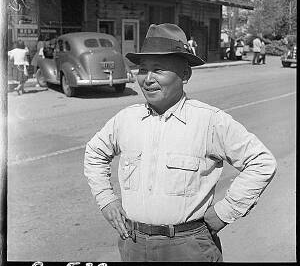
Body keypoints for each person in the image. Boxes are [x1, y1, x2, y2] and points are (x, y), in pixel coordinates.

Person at [84, 23, 277, 262]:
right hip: (132, 243)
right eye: (143, 69)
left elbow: (261, 162)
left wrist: (226, 211)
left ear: (185, 75)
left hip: (188, 247)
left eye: (159, 69)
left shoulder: (209, 121)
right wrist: (106, 199)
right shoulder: (126, 119)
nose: (148, 79)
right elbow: (94, 152)